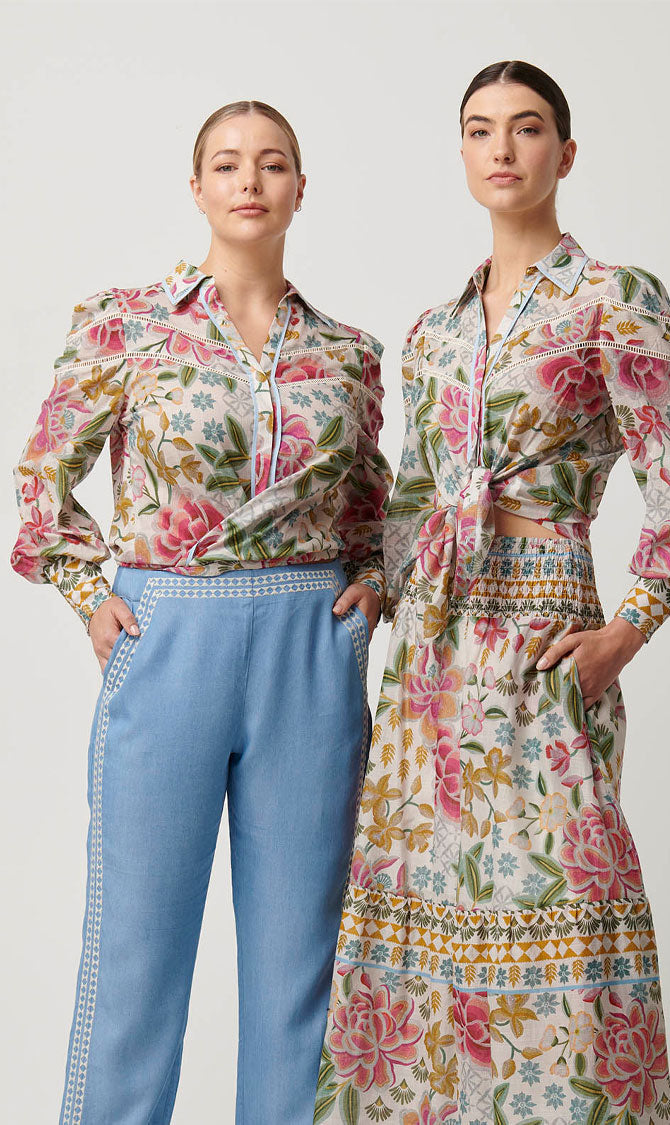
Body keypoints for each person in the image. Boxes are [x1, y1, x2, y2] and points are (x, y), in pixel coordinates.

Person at [315, 61, 670, 1124]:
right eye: (480, 129)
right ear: (461, 153)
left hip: (545, 632)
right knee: (424, 929)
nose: (501, 148)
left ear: (566, 152)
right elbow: (414, 495)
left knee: (564, 915)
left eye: (528, 127)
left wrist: (624, 634)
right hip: (429, 656)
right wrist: (377, 585)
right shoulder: (433, 331)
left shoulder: (615, 299)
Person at [11, 99, 392, 1124]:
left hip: (310, 651)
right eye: (227, 164)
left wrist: (374, 582)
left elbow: (373, 500)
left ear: (301, 188)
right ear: (196, 187)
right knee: (136, 955)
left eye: (272, 163)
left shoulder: (349, 353)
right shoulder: (125, 325)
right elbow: (43, 475)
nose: (249, 181)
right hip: (167, 636)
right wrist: (88, 590)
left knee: (303, 968)